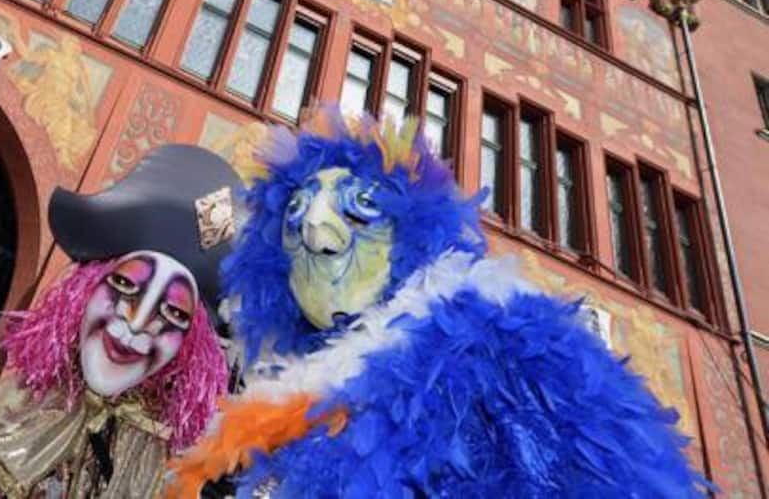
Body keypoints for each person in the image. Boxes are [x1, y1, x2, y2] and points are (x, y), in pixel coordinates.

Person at [168, 113, 707, 497]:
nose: (317, 233)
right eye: (295, 218)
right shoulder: (279, 407)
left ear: (411, 235)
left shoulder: (498, 348)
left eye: (359, 208)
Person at [0, 145, 237, 497]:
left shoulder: (161, 466)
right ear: (82, 292)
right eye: (125, 284)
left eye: (173, 312)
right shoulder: (3, 413)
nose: (138, 321)